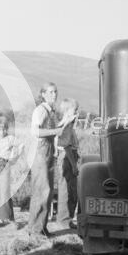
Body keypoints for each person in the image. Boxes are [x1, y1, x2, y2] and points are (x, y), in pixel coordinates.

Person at [27, 83, 74, 238]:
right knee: (41, 190)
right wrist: (56, 130)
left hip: (48, 152)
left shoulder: (51, 111)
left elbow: (56, 130)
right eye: (51, 92)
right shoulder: (40, 110)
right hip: (40, 152)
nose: (54, 95)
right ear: (43, 94)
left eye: (56, 92)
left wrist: (66, 121)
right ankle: (35, 230)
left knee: (46, 191)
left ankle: (41, 227)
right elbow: (36, 131)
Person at [56, 98, 80, 229]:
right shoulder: (67, 125)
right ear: (67, 111)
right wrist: (74, 165)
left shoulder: (66, 124)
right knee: (67, 190)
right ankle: (64, 220)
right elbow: (66, 147)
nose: (77, 112)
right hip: (67, 158)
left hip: (68, 157)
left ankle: (67, 219)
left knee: (69, 189)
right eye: (75, 109)